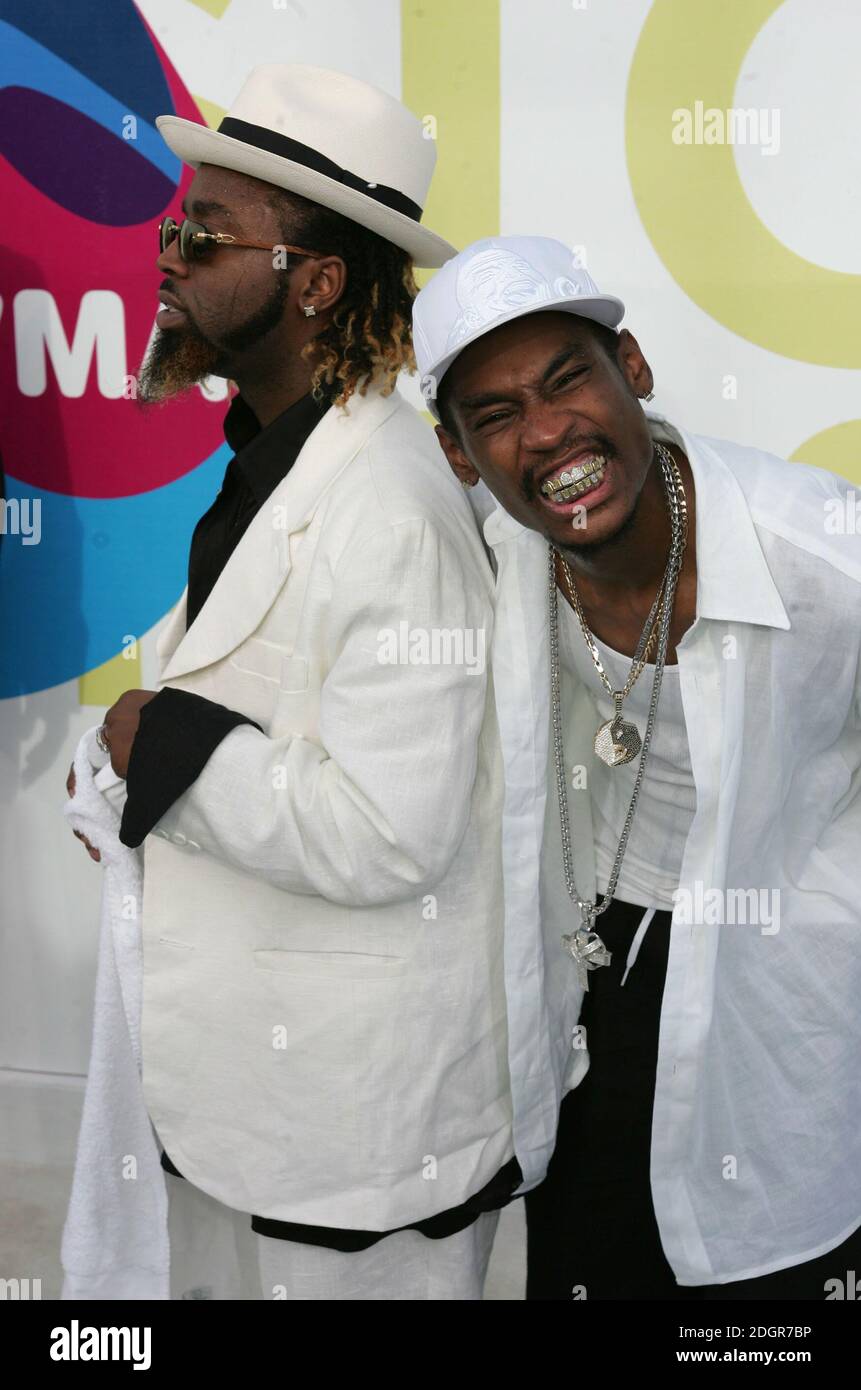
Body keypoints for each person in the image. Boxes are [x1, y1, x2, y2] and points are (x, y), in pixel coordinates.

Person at [66, 66, 521, 1301]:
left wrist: (151, 748)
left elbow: (391, 830)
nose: (168, 255)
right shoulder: (285, 452)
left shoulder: (389, 504)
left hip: (354, 1148)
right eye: (172, 225)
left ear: (315, 281)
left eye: (205, 233)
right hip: (257, 1110)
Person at [413, 234, 861, 1300]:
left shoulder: (819, 547)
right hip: (592, 977)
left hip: (781, 981)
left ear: (636, 369)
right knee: (592, 1259)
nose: (549, 430)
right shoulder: (488, 556)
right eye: (498, 414)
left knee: (775, 1272)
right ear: (462, 457)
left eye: (568, 378)